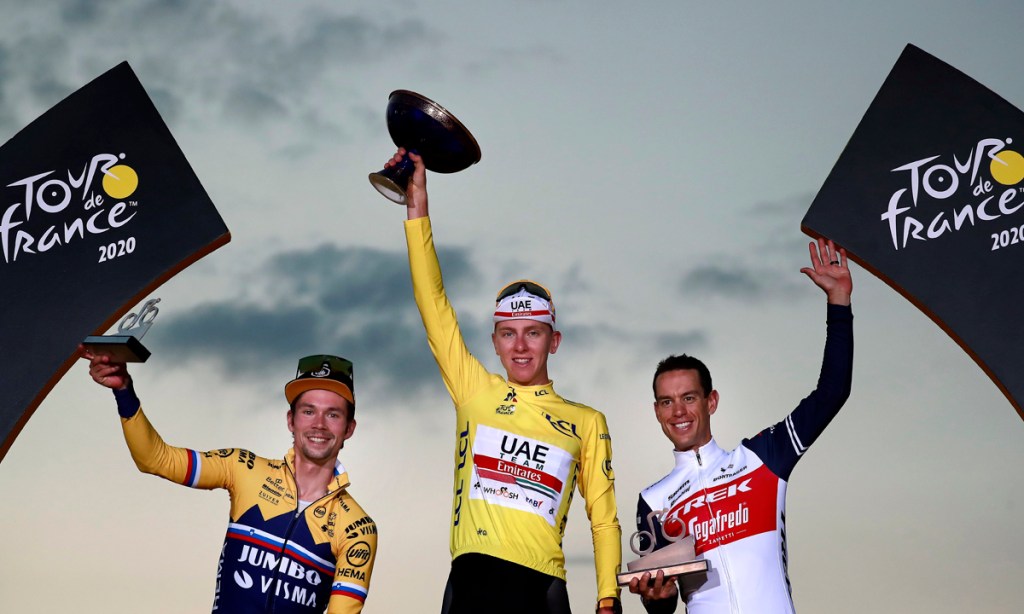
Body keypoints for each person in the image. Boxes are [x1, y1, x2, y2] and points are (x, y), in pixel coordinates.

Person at [386, 148, 622, 614]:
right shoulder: (476, 390)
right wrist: (417, 206)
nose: (520, 347)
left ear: (554, 341)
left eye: (533, 334)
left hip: (543, 589)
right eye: (509, 335)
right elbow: (432, 303)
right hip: (471, 582)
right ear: (494, 342)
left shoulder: (586, 422)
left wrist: (608, 596)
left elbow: (605, 520)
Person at [628, 238, 853, 614]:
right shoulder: (653, 501)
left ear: (711, 401)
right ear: (657, 412)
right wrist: (658, 598)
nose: (678, 411)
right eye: (667, 402)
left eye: (689, 398)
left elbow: (832, 393)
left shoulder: (762, 457)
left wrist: (839, 302)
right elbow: (662, 604)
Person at [81, 350, 377, 613]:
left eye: (333, 414)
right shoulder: (244, 469)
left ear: (349, 428)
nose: (319, 425)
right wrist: (123, 391)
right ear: (291, 420)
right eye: (308, 411)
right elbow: (156, 459)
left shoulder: (357, 528)